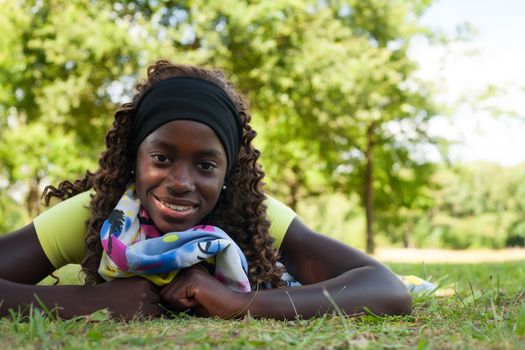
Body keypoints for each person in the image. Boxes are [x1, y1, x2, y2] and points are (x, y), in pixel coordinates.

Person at [0, 60, 411, 320]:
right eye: (161, 158)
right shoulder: (101, 215)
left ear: (229, 172)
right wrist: (87, 303)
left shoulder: (257, 216)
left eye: (206, 165)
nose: (180, 182)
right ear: (133, 159)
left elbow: (386, 288)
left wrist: (242, 304)